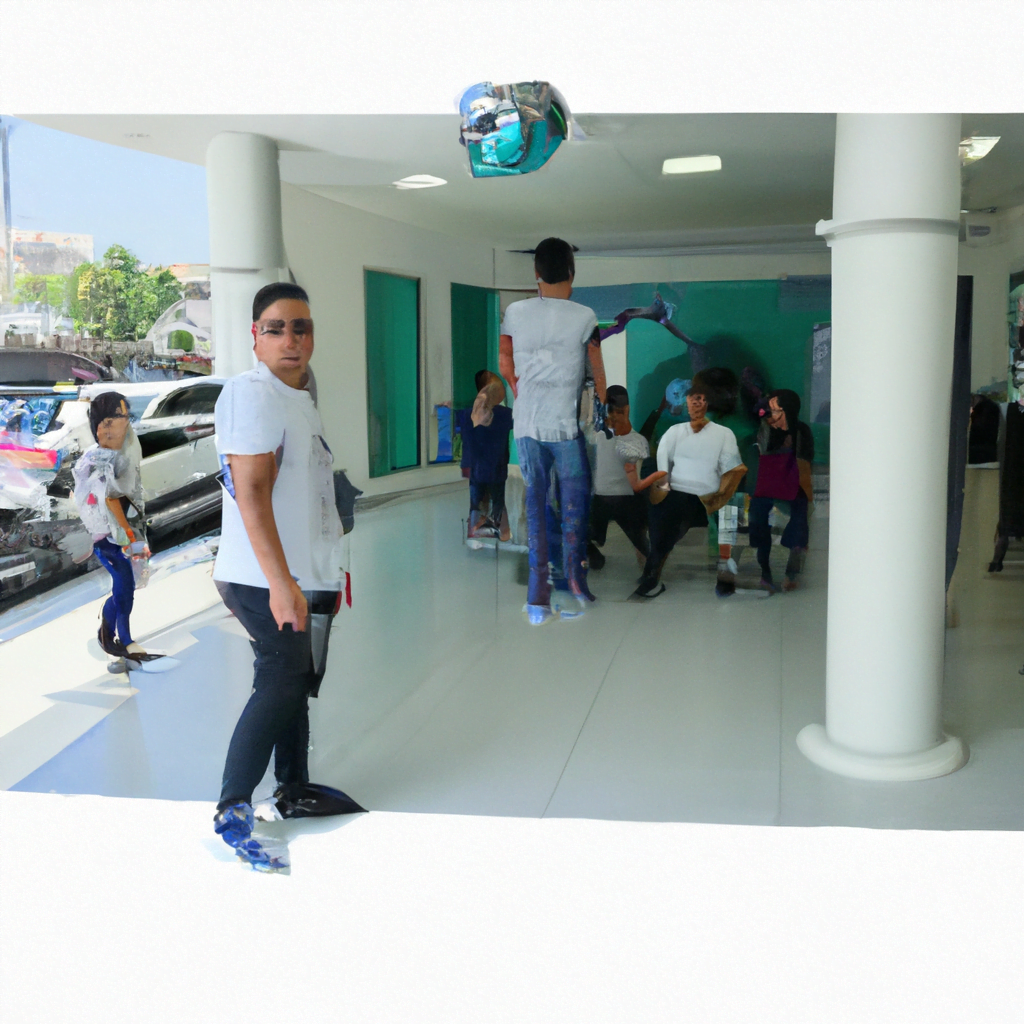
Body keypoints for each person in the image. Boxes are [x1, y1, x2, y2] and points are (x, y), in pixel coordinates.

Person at [211, 282, 364, 871]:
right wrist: (281, 583)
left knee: (297, 677)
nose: (290, 339)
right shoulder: (252, 395)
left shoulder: (296, 394)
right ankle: (231, 807)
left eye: (300, 327)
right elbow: (249, 494)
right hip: (263, 574)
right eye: (275, 328)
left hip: (302, 569)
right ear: (255, 336)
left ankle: (293, 787)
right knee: (281, 677)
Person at [499, 237, 606, 623]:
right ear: (572, 273)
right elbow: (598, 371)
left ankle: (537, 600)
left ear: (536, 273)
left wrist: (517, 387)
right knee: (575, 508)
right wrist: (603, 402)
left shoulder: (515, 311)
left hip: (526, 427)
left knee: (538, 507)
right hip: (564, 430)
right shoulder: (585, 316)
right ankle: (575, 585)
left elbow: (505, 359)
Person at [634, 371, 747, 599]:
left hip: (700, 484)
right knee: (670, 520)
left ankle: (656, 571)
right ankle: (654, 571)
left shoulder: (724, 428)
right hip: (679, 484)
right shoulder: (674, 424)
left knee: (724, 510)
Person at [72, 390, 159, 663]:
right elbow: (113, 501)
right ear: (102, 424)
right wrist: (132, 539)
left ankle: (109, 635)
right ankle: (124, 641)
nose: (125, 422)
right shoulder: (102, 459)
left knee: (125, 586)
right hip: (110, 538)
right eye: (118, 417)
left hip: (115, 534)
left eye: (125, 416)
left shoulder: (110, 453)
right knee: (124, 588)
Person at [587, 384, 666, 571]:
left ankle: (644, 559)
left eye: (619, 411)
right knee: (578, 532)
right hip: (602, 498)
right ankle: (594, 553)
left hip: (626, 499)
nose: (615, 416)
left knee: (642, 544)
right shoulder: (596, 436)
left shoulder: (634, 441)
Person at [748, 389, 814, 592]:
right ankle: (765, 572)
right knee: (758, 519)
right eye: (771, 408)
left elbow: (804, 465)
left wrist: (808, 494)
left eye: (776, 409)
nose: (771, 413)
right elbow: (757, 411)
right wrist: (765, 407)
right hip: (767, 484)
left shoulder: (800, 431)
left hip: (792, 483)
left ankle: (791, 573)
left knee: (800, 520)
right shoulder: (765, 429)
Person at [457, 370, 513, 540]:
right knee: (497, 500)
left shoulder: (466, 414)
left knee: (476, 501)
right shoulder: (505, 414)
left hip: (474, 467)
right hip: (496, 467)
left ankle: (475, 532)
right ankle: (498, 532)